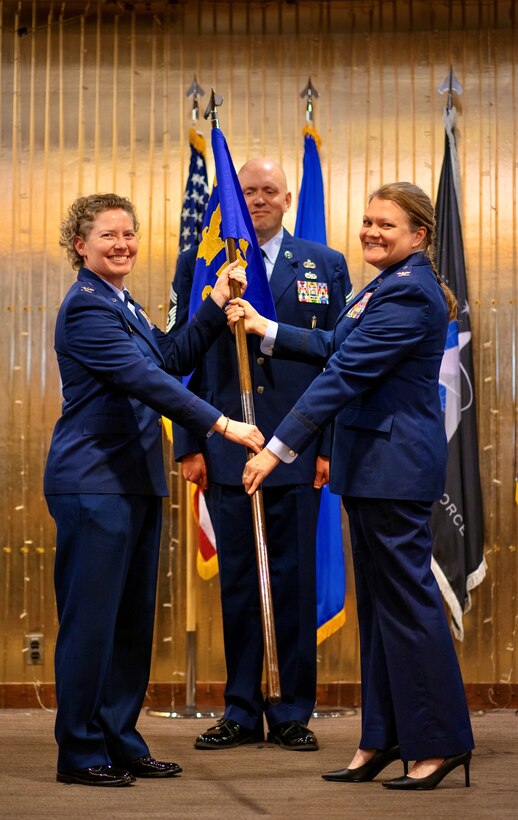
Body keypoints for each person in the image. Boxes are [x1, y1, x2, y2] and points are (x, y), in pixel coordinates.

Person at [230, 182, 474, 790]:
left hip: (393, 470)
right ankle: (384, 737)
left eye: (386, 225)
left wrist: (278, 449)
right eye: (367, 221)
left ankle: (439, 742)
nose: (370, 232)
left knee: (410, 610)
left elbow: (344, 372)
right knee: (382, 613)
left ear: (419, 235)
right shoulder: (387, 285)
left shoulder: (410, 294)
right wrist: (267, 328)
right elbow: (339, 343)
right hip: (371, 468)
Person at [44, 193, 264, 787]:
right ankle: (81, 751)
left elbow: (168, 357)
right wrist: (220, 424)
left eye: (129, 234)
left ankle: (120, 738)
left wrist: (216, 304)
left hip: (134, 482)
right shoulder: (87, 309)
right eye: (108, 235)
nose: (122, 245)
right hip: (93, 484)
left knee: (131, 623)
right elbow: (145, 381)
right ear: (79, 246)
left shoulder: (124, 304)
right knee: (93, 623)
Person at [169, 158, 352, 751]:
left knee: (294, 579)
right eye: (247, 190)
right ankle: (243, 709)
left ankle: (293, 709)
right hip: (226, 448)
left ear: (289, 197)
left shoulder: (324, 265)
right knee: (242, 583)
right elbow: (184, 358)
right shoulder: (203, 264)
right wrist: (190, 445)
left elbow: (340, 362)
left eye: (269, 190)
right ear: (232, 195)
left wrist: (325, 445)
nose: (258, 199)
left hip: (296, 450)